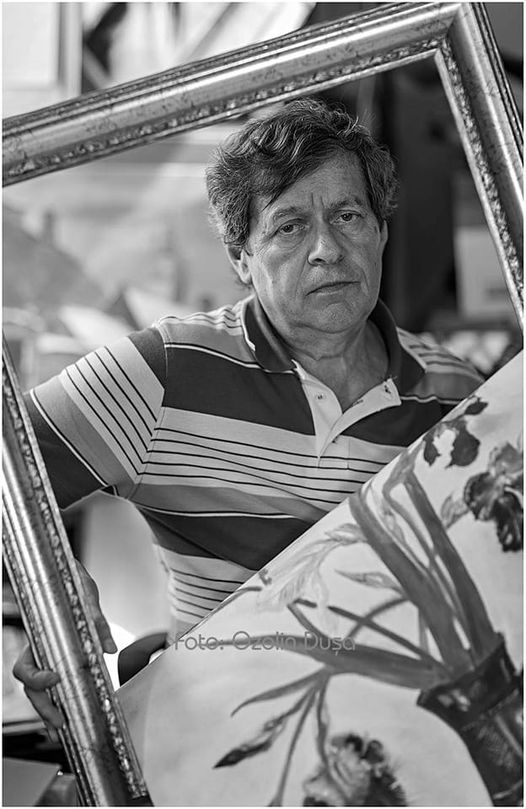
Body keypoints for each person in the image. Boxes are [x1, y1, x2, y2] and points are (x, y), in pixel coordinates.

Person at [13, 97, 482, 730]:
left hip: (412, 742)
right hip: (221, 748)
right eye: (289, 227)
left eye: (348, 215)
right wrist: (54, 593)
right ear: (241, 258)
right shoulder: (167, 372)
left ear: (381, 231)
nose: (327, 249)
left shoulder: (457, 396)